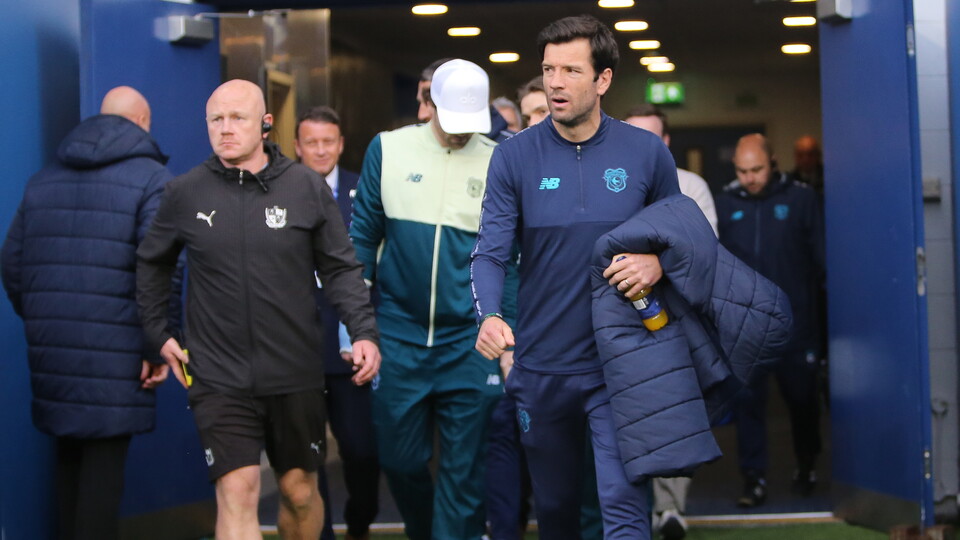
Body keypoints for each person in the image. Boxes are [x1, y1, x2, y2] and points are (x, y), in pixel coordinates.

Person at [136, 79, 381, 540]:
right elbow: (152, 264)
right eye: (216, 119)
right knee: (238, 490)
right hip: (217, 374)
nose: (225, 129)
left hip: (294, 371)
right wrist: (158, 332)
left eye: (238, 118)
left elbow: (342, 269)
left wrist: (363, 331)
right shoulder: (185, 193)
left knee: (299, 492)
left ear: (265, 124)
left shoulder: (306, 188)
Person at [471, 15, 681, 539]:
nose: (556, 83)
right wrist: (490, 315)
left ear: (603, 80)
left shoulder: (646, 152)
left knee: (623, 504)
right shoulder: (514, 156)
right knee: (559, 511)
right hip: (543, 366)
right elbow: (490, 254)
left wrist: (657, 264)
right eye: (548, 70)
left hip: (623, 361)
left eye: (570, 70)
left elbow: (685, 241)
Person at [1, 86, 175, 540]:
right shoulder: (152, 178)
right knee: (103, 480)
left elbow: (11, 262)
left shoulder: (44, 178)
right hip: (118, 358)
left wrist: (42, 320)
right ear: (142, 122)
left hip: (53, 352)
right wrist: (155, 343)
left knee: (68, 467)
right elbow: (160, 268)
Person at [350, 59, 506, 540]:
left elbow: (509, 257)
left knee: (463, 472)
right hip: (399, 333)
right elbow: (361, 241)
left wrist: (504, 326)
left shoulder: (499, 159)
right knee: (399, 460)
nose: (461, 134)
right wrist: (355, 326)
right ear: (430, 101)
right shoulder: (388, 149)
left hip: (469, 339)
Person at [715, 133, 825, 508]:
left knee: (802, 401)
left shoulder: (801, 199)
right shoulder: (725, 204)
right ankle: (754, 479)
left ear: (772, 162)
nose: (751, 178)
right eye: (743, 171)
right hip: (746, 330)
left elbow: (821, 263)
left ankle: (807, 466)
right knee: (748, 406)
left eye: (757, 169)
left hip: (796, 326)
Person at [294, 105, 379, 540]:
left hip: (352, 347)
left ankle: (359, 524)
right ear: (297, 146)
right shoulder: (279, 191)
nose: (321, 150)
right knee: (309, 459)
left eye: (329, 141)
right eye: (312, 142)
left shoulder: (363, 190)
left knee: (362, 451)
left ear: (341, 144)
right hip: (299, 348)